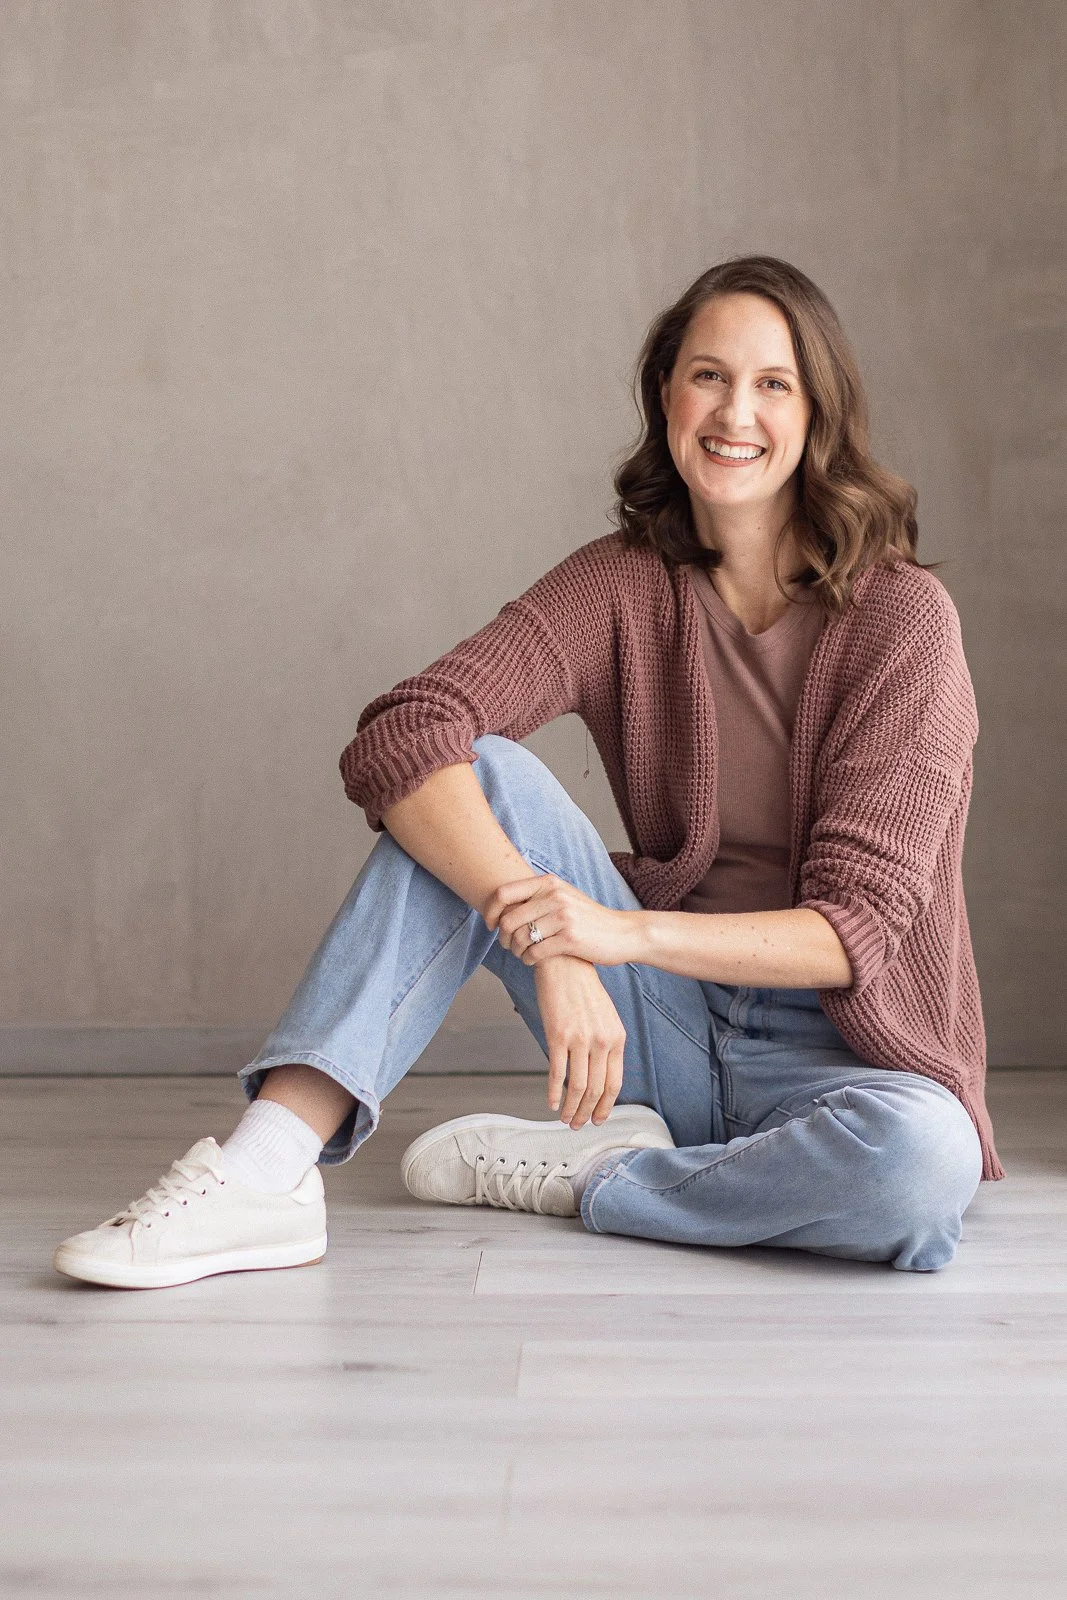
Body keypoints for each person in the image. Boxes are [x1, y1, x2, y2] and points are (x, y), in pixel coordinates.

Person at [53, 255, 1003, 1291]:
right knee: (479, 772)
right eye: (706, 376)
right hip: (658, 1021)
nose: (735, 411)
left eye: (772, 383)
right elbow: (402, 731)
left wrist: (611, 931)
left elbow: (854, 928)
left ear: (817, 412)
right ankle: (265, 1169)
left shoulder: (901, 622)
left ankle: (598, 1177)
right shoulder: (623, 583)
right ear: (665, 396)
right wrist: (553, 944)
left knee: (921, 1166)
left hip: (842, 1063)